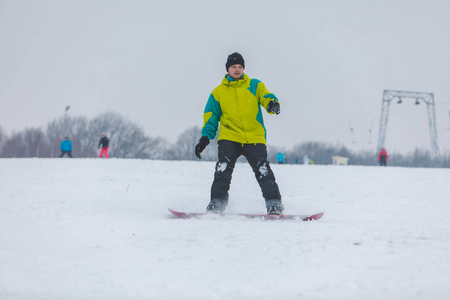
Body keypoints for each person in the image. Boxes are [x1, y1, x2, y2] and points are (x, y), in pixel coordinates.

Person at [195, 52, 284, 215]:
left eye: (240, 67)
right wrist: (205, 138)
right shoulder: (218, 92)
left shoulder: (255, 85)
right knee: (223, 169)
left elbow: (266, 97)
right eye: (233, 67)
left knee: (263, 169)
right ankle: (217, 203)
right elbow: (211, 117)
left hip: (254, 137)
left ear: (243, 68)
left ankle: (274, 204)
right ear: (227, 69)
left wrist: (272, 104)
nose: (237, 70)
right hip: (229, 137)